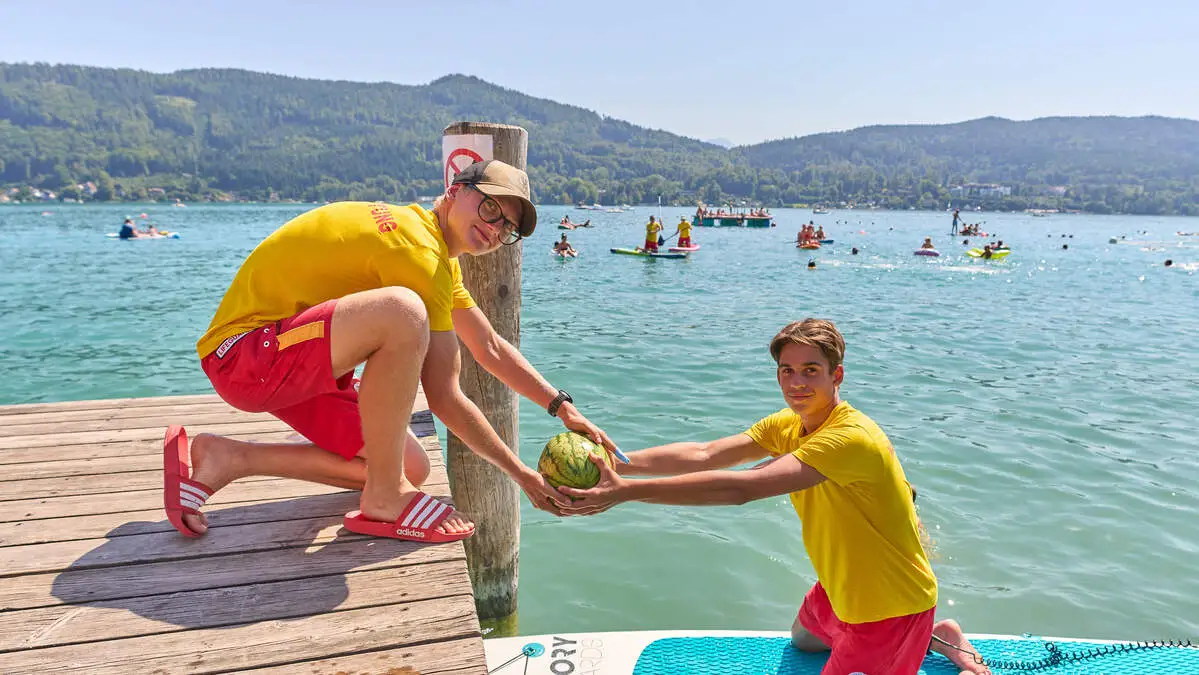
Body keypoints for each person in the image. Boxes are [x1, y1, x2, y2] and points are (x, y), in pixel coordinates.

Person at [165, 160, 617, 544]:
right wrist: (522, 476)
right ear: (456, 190)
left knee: (410, 466)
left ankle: (230, 458)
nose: (496, 228)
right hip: (243, 356)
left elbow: (490, 347)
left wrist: (562, 408)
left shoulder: (435, 253)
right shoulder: (416, 251)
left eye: (509, 227)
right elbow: (443, 397)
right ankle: (384, 498)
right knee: (403, 312)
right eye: (491, 206)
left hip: (288, 361)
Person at [560, 320, 988, 674]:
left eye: (810, 371)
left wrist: (626, 493)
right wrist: (614, 463)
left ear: (836, 375)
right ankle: (935, 635)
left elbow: (742, 488)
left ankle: (935, 639)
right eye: (787, 370)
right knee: (802, 641)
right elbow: (706, 454)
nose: (796, 382)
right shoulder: (789, 424)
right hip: (844, 587)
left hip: (888, 607)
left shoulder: (848, 437)